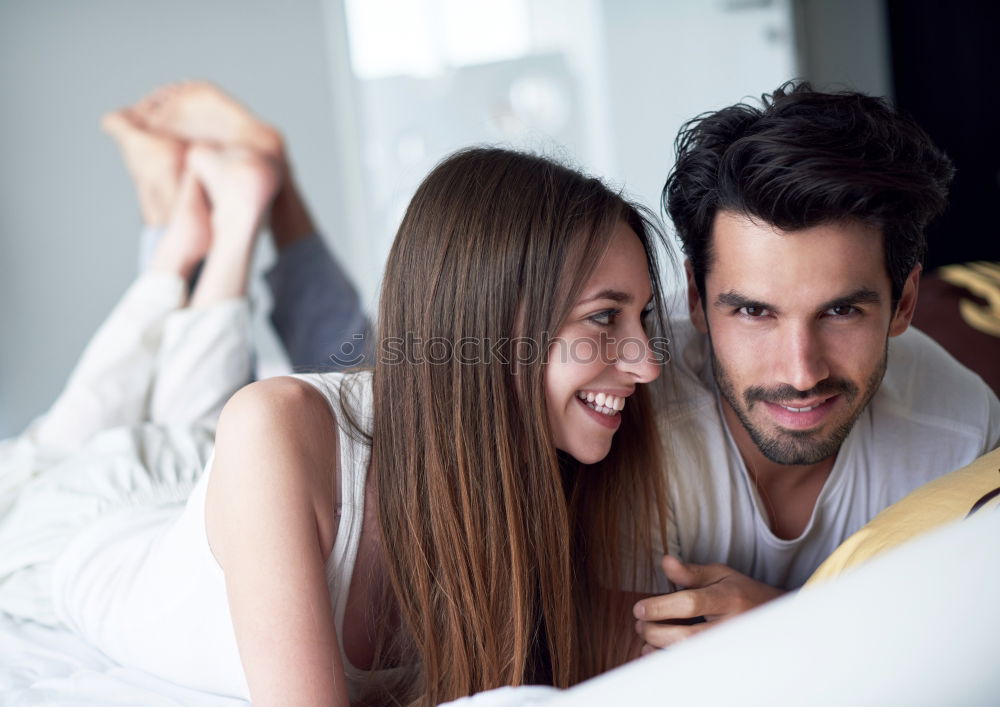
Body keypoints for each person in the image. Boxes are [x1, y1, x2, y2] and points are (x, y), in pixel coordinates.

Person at [0, 141, 676, 705]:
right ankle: (190, 247)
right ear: (495, 323)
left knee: (198, 416)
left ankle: (215, 222)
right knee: (69, 438)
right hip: (83, 514)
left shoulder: (518, 469)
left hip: (211, 495)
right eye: (603, 317)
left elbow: (596, 621)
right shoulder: (278, 423)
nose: (647, 365)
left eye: (641, 317)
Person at [632, 81, 1000, 651]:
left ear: (903, 303)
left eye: (840, 311)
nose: (801, 373)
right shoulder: (630, 424)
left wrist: (790, 626)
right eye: (754, 311)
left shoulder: (960, 431)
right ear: (698, 302)